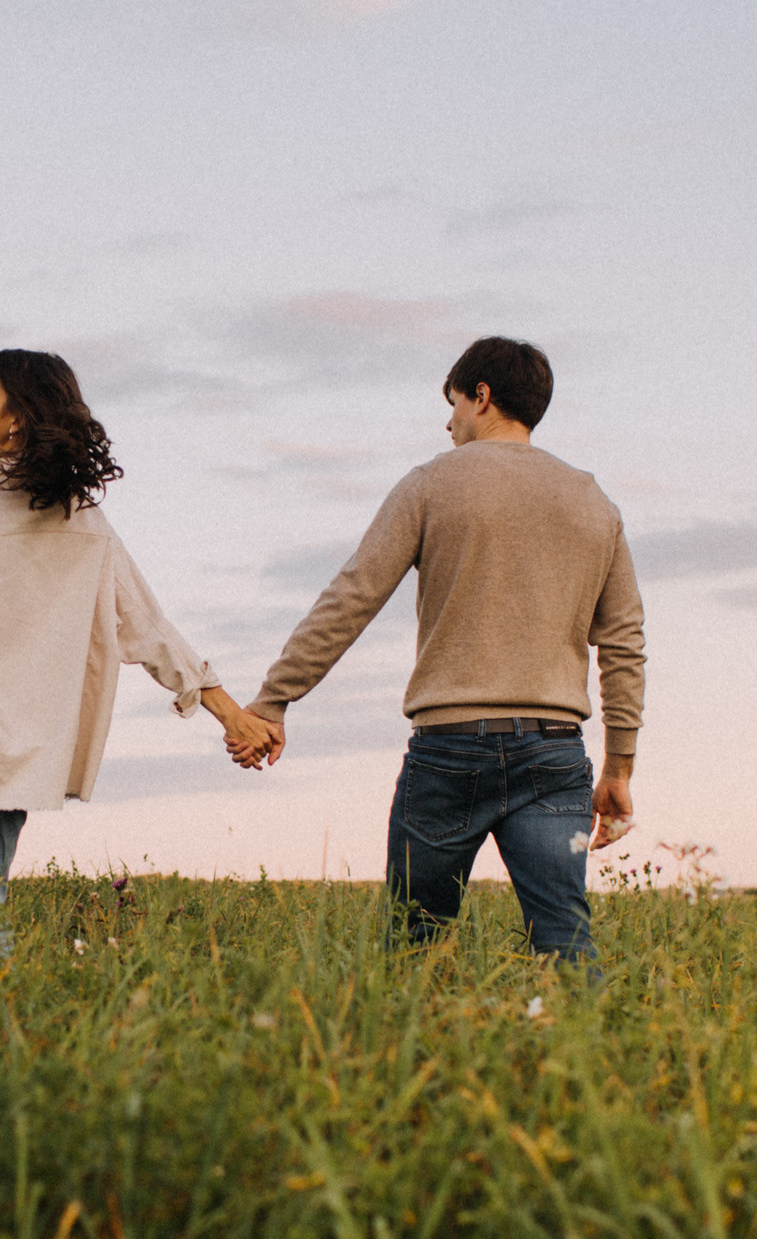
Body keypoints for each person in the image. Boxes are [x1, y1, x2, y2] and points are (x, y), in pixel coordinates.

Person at [0, 349, 280, 943]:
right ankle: (10, 1027)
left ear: (18, 416)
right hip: (16, 746)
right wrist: (231, 714)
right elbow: (148, 625)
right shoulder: (86, 522)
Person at [238, 336, 645, 963]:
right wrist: (619, 767)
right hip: (554, 753)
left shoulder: (429, 484)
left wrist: (273, 699)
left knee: (412, 947)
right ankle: (592, 1059)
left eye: (453, 402)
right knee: (565, 944)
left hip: (448, 752)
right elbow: (622, 644)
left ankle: (412, 1055)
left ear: (481, 397)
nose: (448, 420)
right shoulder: (594, 500)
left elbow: (352, 597)